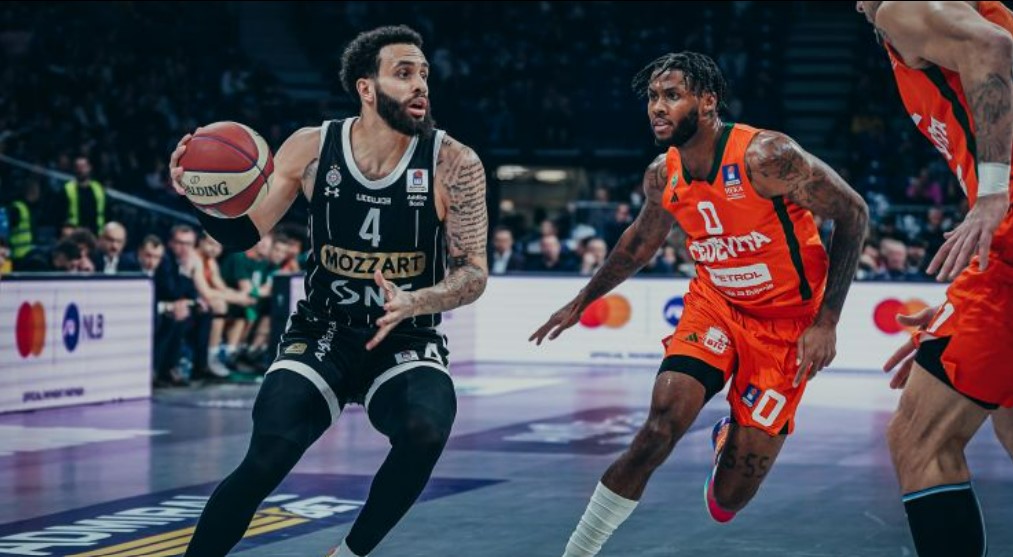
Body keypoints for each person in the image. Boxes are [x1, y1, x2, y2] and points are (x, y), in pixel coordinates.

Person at [530, 51, 868, 556]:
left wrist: (828, 322)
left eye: (672, 95)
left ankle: (730, 433)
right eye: (652, 97)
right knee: (658, 428)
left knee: (728, 500)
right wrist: (583, 299)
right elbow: (639, 243)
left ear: (707, 102)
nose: (657, 107)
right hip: (716, 307)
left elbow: (854, 213)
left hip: (787, 324)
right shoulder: (661, 175)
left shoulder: (767, 157)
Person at [168, 25, 488, 557]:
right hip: (324, 330)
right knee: (267, 456)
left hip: (405, 336)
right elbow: (245, 233)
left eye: (424, 74)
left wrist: (418, 300)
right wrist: (201, 199)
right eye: (403, 73)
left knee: (426, 430)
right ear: (366, 88)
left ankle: (350, 553)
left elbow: (473, 273)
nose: (420, 86)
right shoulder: (311, 147)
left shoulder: (454, 162)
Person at [857, 2, 1013, 555]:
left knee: (919, 438)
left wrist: (992, 193)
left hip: (1007, 250)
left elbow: (992, 47)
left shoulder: (903, 7)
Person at [54, 156, 106, 234]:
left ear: (89, 168)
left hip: (96, 233)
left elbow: (105, 211)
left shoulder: (98, 188)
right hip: (74, 233)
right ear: (74, 169)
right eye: (78, 167)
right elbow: (58, 214)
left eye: (83, 166)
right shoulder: (67, 189)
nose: (81, 170)